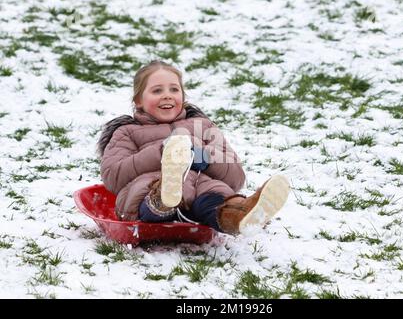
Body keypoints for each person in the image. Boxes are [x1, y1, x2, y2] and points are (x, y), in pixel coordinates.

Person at [97, 60, 290, 235]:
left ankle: (243, 214)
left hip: (200, 186)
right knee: (157, 193)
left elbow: (236, 177)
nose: (167, 96)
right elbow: (114, 175)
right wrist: (161, 153)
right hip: (149, 187)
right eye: (157, 91)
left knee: (217, 198)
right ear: (138, 100)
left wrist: (207, 159)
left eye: (174, 90)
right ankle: (164, 196)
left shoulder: (203, 127)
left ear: (183, 95)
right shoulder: (127, 132)